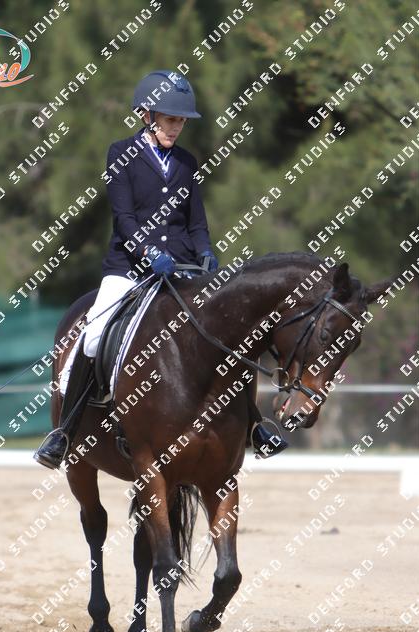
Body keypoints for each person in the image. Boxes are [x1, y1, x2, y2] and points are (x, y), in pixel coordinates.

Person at [34, 70, 287, 470]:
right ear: (147, 115)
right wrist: (148, 252)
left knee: (226, 333)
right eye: (170, 120)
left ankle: (255, 425)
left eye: (181, 121)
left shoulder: (186, 162)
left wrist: (206, 253)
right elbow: (124, 217)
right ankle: (65, 430)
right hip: (130, 268)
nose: (176, 128)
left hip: (182, 268)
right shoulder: (121, 153)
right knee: (94, 334)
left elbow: (196, 222)